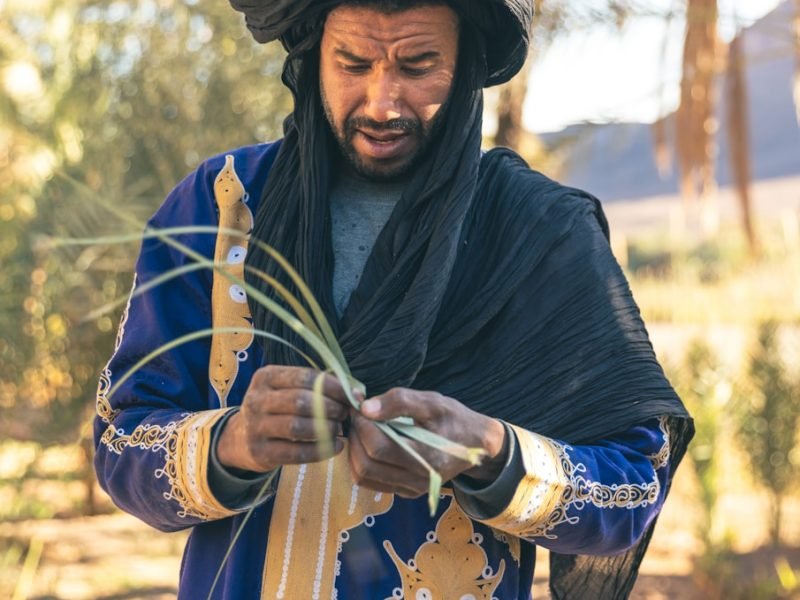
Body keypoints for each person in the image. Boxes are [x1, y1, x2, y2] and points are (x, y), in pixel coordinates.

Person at [93, 0, 693, 598]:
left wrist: (490, 451)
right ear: (311, 55)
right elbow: (121, 443)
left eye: (418, 66)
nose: (383, 103)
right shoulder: (218, 206)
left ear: (466, 67)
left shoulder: (541, 235)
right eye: (353, 64)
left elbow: (632, 489)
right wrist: (234, 442)